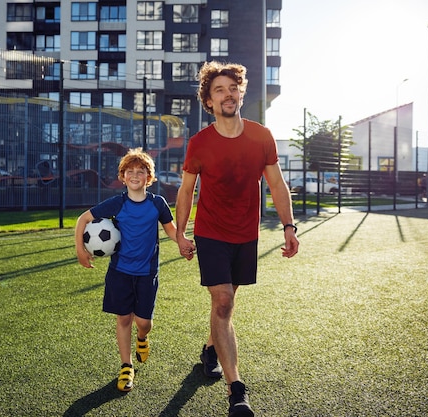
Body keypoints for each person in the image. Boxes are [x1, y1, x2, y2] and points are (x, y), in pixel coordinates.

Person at [175, 61, 300, 417]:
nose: (228, 94)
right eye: (219, 90)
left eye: (233, 88)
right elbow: (187, 191)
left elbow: (276, 184)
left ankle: (210, 350)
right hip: (211, 231)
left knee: (225, 307)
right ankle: (237, 392)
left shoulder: (262, 136)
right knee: (224, 300)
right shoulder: (199, 143)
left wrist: (289, 227)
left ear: (241, 93)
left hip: (246, 233)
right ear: (209, 101)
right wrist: (181, 233)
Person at [75, 148, 178, 392]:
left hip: (146, 273)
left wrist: (182, 242)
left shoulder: (157, 204)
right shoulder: (118, 203)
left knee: (143, 322)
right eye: (129, 172)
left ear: (148, 177)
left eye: (140, 172)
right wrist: (80, 250)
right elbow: (83, 219)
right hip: (120, 271)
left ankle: (142, 339)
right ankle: (126, 365)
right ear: (122, 177)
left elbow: (171, 229)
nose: (134, 175)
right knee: (123, 318)